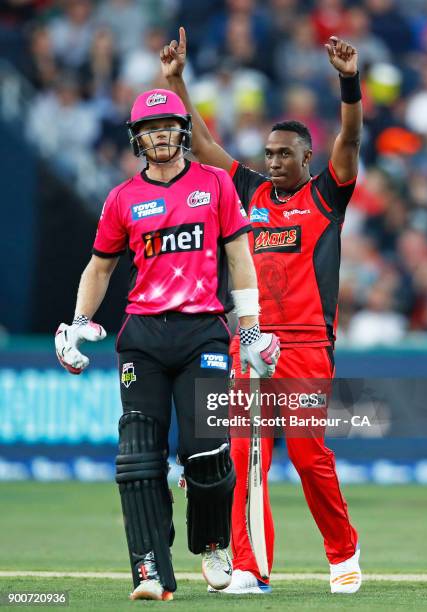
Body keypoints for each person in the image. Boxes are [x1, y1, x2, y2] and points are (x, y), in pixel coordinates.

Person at [54, 87, 280, 601]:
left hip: (204, 332)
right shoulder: (123, 199)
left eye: (167, 127)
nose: (159, 136)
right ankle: (150, 570)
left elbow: (240, 257)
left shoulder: (215, 184)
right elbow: (100, 267)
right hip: (144, 339)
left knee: (207, 451)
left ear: (181, 131)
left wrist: (249, 327)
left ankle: (213, 544)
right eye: (149, 130)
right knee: (138, 458)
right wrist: (76, 323)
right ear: (137, 139)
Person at [160, 27, 363, 595]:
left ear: (307, 157)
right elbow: (200, 146)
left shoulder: (326, 195)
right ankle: (252, 567)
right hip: (249, 340)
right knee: (247, 456)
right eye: (269, 153)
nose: (273, 162)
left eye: (285, 154)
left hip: (304, 343)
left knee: (306, 452)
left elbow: (351, 137)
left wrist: (349, 82)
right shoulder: (245, 190)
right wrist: (176, 81)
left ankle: (343, 549)